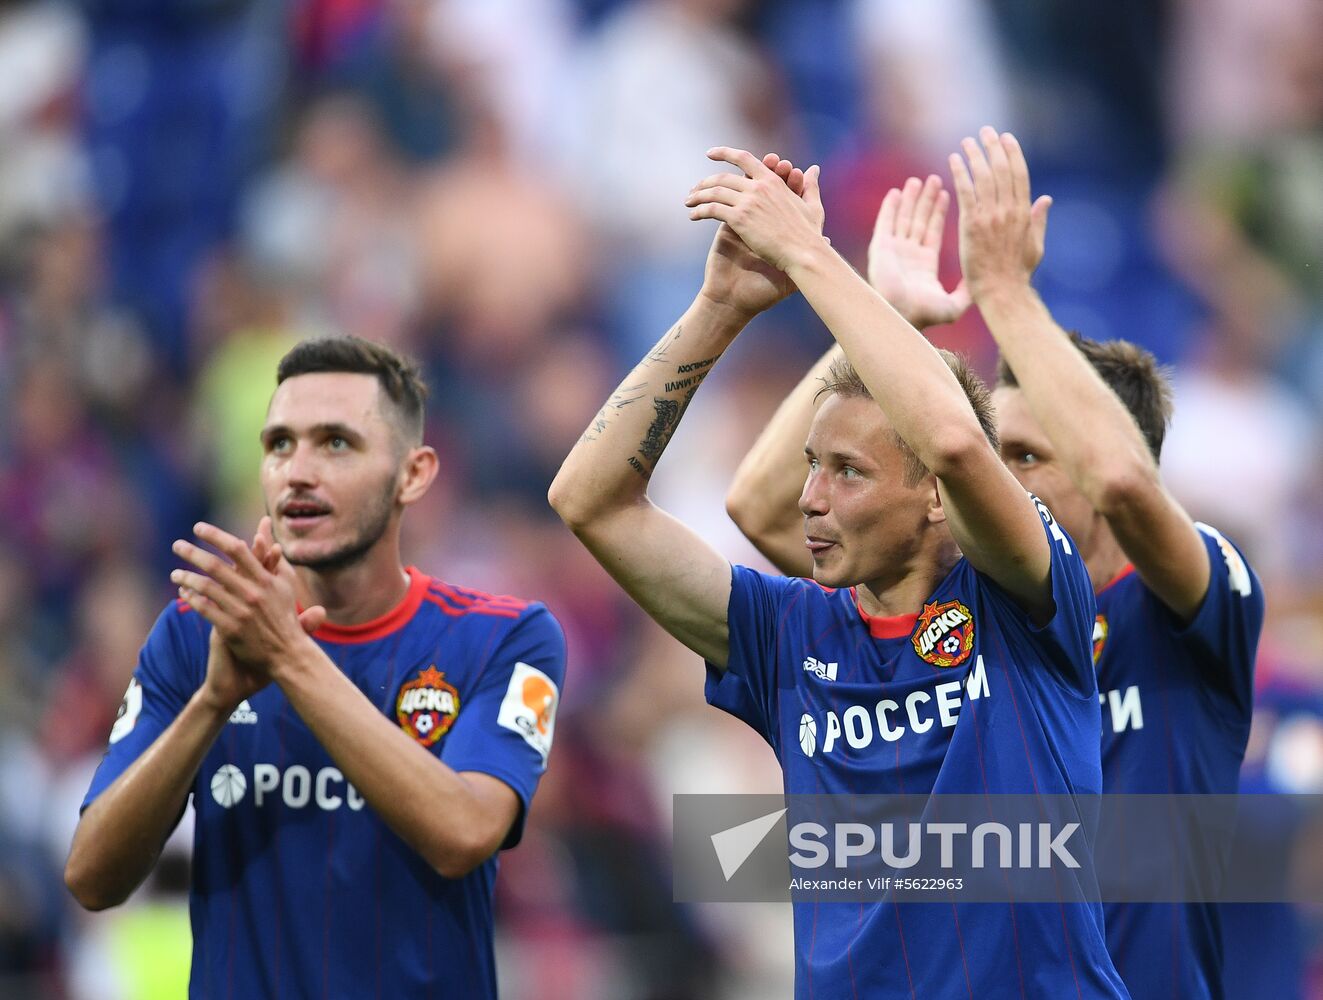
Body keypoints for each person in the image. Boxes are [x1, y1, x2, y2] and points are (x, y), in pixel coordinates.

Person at [549, 150, 1127, 997]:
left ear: (933, 498)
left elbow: (959, 441)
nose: (810, 498)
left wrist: (811, 259)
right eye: (811, 466)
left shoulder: (1020, 598)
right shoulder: (787, 632)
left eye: (847, 472)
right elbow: (589, 501)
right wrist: (720, 306)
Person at [728, 128, 1264, 1000]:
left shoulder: (1191, 599)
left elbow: (1125, 483)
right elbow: (759, 506)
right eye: (991, 452)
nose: (992, 476)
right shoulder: (964, 610)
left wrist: (1004, 293)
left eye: (1024, 455)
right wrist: (884, 318)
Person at [64, 336, 566, 998]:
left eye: (335, 443)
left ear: (413, 474)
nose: (297, 470)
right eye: (279, 444)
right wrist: (212, 703)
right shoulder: (196, 636)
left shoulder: (501, 639)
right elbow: (92, 878)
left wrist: (289, 656)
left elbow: (465, 831)